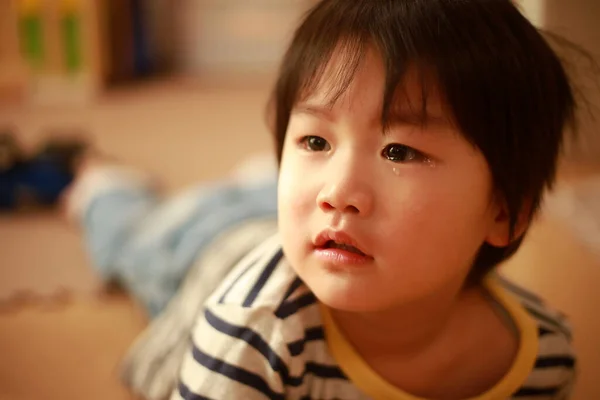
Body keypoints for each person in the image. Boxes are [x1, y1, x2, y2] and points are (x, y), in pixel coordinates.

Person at [67, 0, 579, 399]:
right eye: (315, 141)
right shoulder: (250, 332)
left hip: (291, 224)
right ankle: (104, 186)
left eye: (399, 151)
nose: (338, 192)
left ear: (504, 213)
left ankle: (258, 181)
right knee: (133, 240)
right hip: (205, 255)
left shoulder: (538, 360)